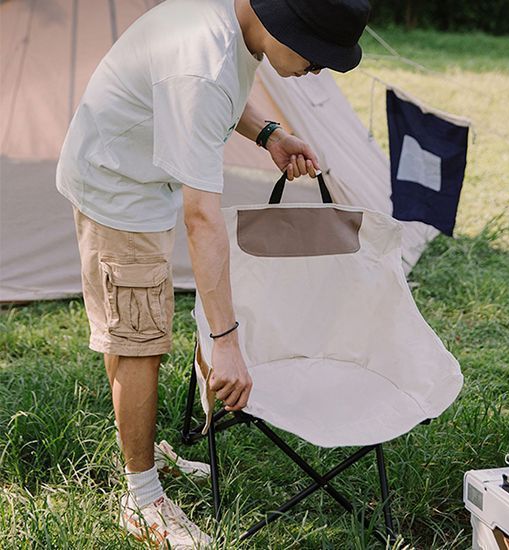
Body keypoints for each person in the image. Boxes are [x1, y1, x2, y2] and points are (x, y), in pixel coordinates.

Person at [56, 0, 371, 547]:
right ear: (285, 26)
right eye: (317, 55)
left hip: (142, 176)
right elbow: (202, 218)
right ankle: (142, 498)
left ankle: (141, 453)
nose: (317, 69)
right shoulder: (201, 61)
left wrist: (270, 134)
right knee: (139, 341)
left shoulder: (232, 24)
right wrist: (225, 343)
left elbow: (222, 93)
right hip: (117, 189)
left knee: (134, 329)